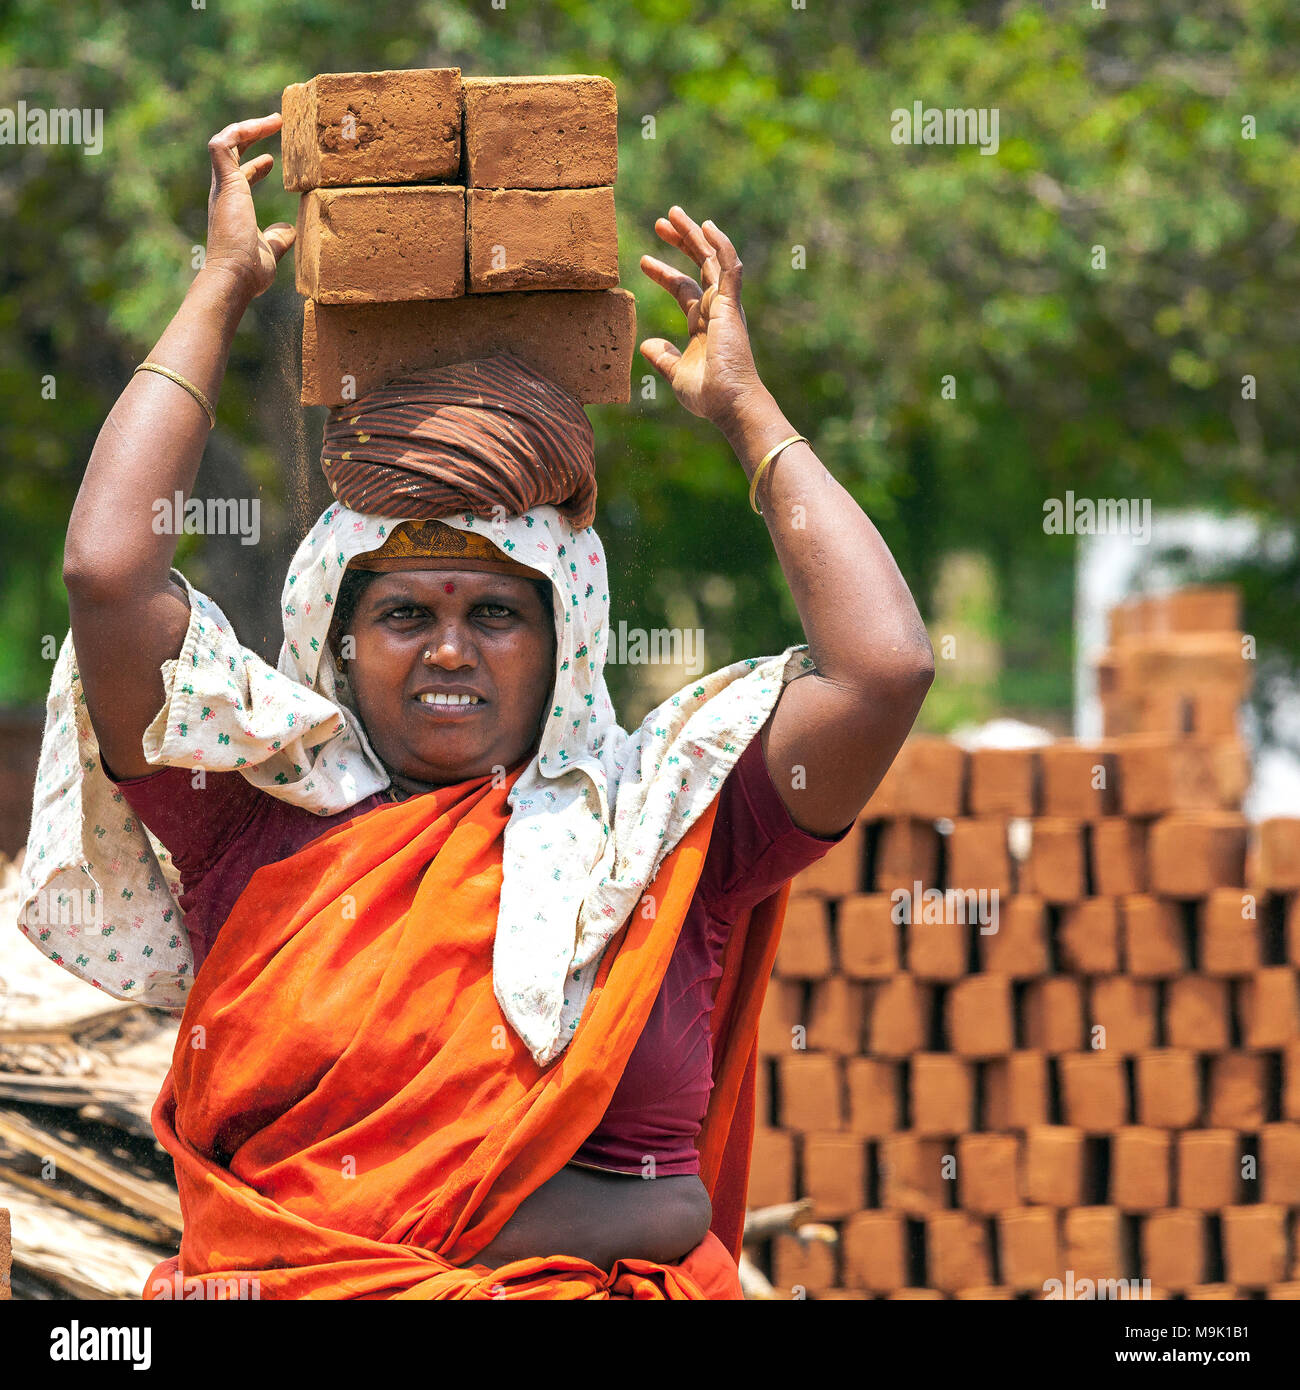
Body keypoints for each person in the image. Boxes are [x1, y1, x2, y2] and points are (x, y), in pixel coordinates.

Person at [25, 113, 934, 1299]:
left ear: (564, 641)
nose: (449, 649)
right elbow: (107, 573)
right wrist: (221, 289)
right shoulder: (256, 813)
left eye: (496, 615)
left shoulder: (660, 834)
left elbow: (883, 669)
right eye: (406, 614)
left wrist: (745, 413)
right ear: (339, 642)